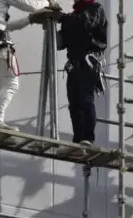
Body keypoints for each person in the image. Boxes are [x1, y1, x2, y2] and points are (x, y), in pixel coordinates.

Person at [0, 0, 63, 128]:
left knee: (0, 88)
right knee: (11, 84)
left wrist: (30, 19)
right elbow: (29, 5)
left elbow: (4, 26)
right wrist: (48, 2)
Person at [53, 0, 107, 147]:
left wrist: (63, 18)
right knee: (74, 102)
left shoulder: (95, 9)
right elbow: (63, 41)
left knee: (85, 99)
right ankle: (78, 139)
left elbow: (85, 23)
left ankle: (88, 137)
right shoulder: (74, 16)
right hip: (74, 63)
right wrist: (52, 26)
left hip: (88, 61)